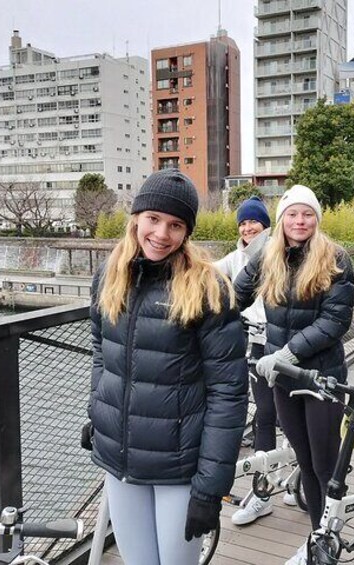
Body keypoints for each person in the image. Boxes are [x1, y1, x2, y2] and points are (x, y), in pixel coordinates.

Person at [83, 169, 249, 565]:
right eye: (153, 219)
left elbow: (229, 392)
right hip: (120, 460)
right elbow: (100, 350)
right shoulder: (109, 275)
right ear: (136, 217)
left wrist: (211, 489)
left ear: (187, 231)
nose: (161, 234)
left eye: (176, 225)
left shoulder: (208, 287)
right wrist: (98, 411)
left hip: (179, 466)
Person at [234, 184, 354, 565]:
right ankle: (318, 536)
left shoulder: (335, 256)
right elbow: (235, 296)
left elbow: (336, 321)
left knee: (323, 464)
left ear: (316, 219)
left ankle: (325, 540)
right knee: (303, 460)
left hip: (322, 377)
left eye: (307, 214)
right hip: (282, 377)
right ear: (282, 219)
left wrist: (287, 352)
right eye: (292, 214)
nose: (299, 221)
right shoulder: (268, 255)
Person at [215, 196, 296, 524]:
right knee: (265, 414)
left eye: (254, 222)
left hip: (288, 346)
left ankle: (294, 475)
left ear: (266, 224)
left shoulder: (283, 252)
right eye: (243, 223)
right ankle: (262, 493)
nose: (248, 228)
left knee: (291, 416)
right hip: (257, 347)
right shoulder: (235, 259)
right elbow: (205, 274)